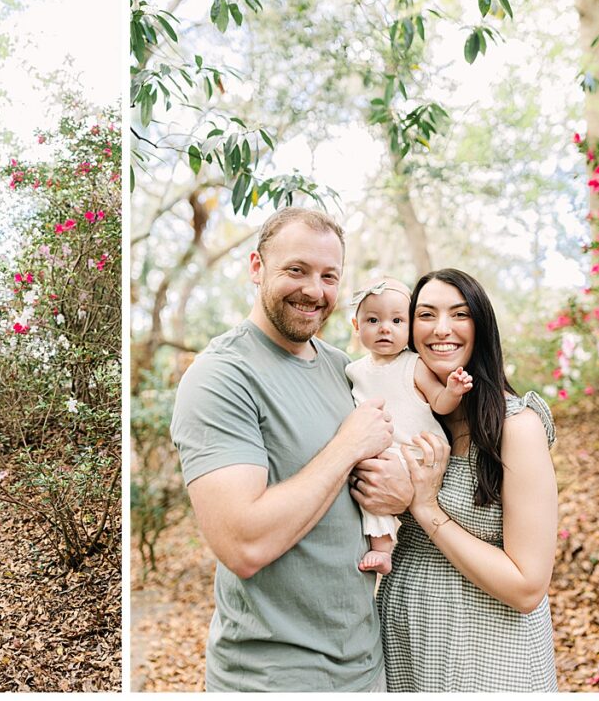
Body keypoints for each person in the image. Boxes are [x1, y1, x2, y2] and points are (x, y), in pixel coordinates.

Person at [170, 207, 402, 692]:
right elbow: (243, 544)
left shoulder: (348, 370)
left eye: (328, 276)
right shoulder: (221, 376)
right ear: (257, 268)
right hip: (272, 679)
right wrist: (347, 446)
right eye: (296, 270)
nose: (314, 291)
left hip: (366, 667)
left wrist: (407, 488)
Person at [354, 269, 558, 691]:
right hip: (404, 641)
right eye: (426, 314)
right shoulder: (399, 421)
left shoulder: (516, 428)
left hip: (491, 655)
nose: (441, 329)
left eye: (459, 314)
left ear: (480, 327)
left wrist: (422, 506)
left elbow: (527, 587)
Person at [345, 278, 473, 574]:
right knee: (368, 482)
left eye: (397, 320)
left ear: (410, 328)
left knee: (379, 479)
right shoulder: (354, 370)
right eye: (373, 320)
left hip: (417, 451)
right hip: (382, 450)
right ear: (356, 325)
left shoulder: (413, 364)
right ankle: (382, 548)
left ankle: (384, 547)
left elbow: (438, 402)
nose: (384, 328)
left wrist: (452, 390)